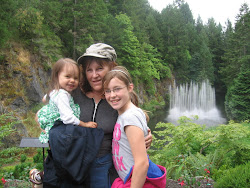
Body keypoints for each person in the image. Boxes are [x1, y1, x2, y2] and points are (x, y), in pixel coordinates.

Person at [42, 43, 152, 188]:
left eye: (100, 68)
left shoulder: (116, 98)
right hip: (73, 163)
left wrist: (146, 135)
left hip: (103, 166)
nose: (94, 75)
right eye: (89, 70)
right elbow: (47, 113)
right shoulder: (72, 93)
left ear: (112, 67)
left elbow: (135, 120)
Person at [103, 66, 166, 188]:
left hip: (136, 181)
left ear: (130, 88)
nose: (112, 95)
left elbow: (142, 163)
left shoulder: (129, 118)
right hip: (128, 178)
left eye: (117, 89)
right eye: (108, 91)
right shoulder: (126, 114)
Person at [36, 58, 97, 144]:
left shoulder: (55, 91)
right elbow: (68, 118)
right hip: (60, 132)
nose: (72, 80)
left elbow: (45, 98)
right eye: (67, 76)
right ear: (57, 76)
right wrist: (85, 124)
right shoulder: (62, 95)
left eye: (76, 78)